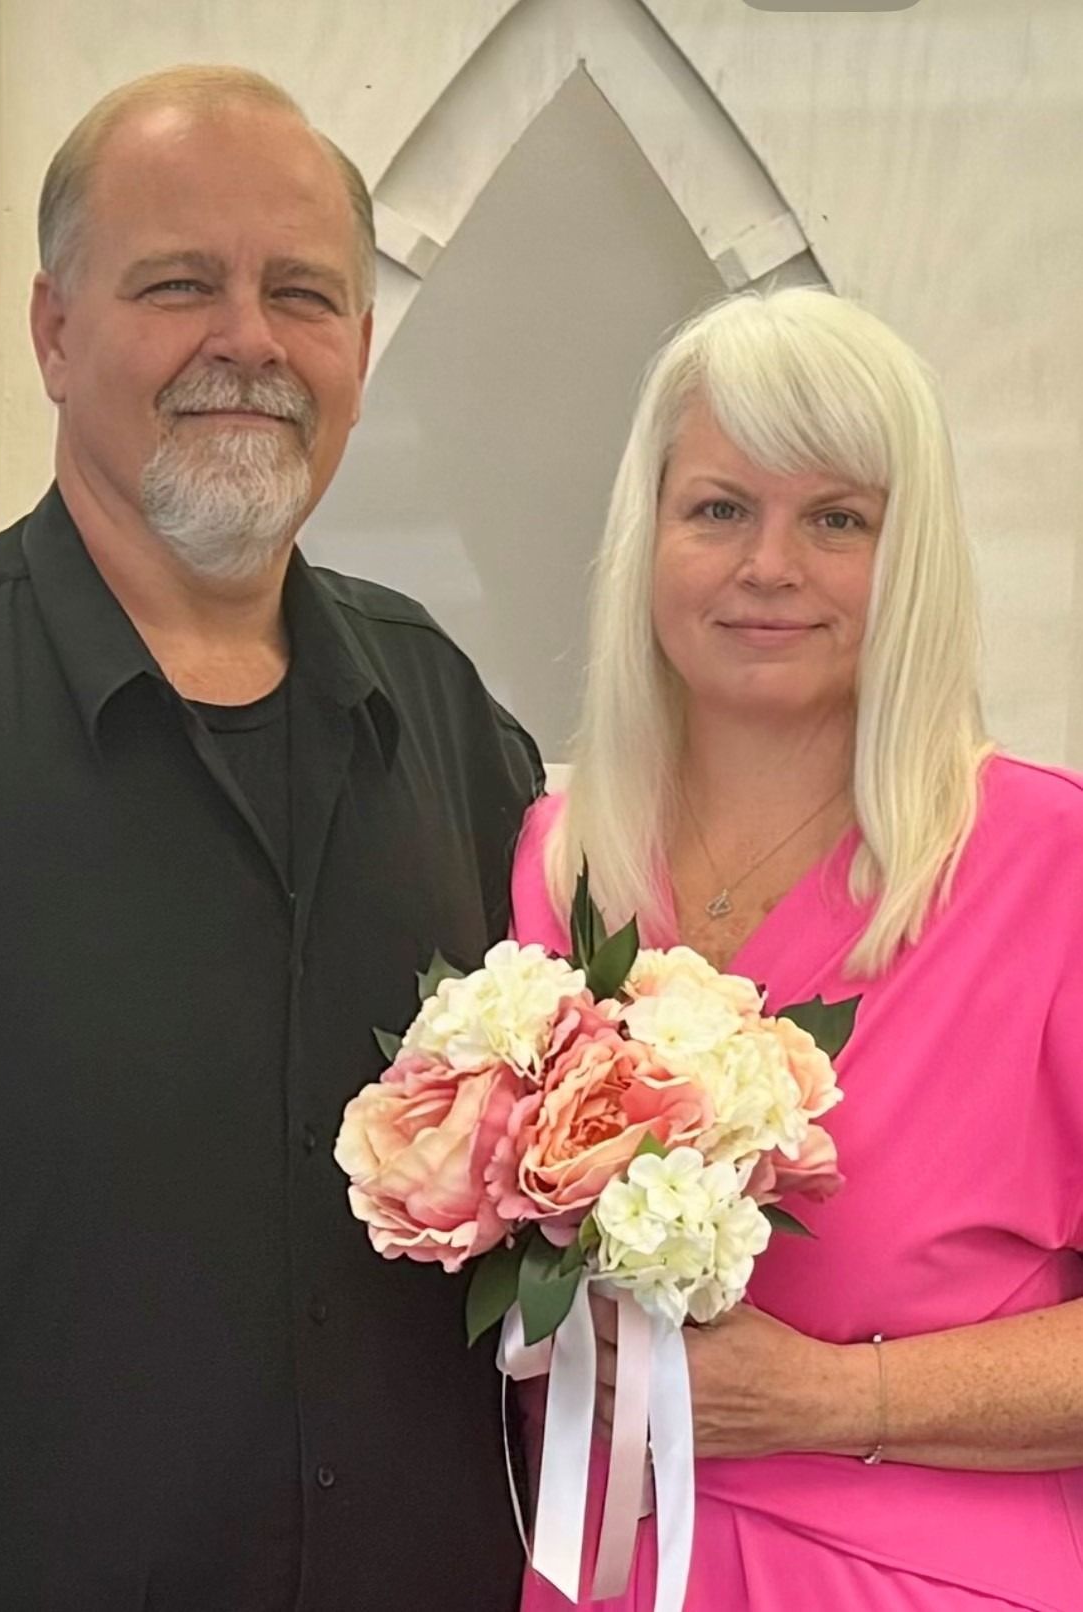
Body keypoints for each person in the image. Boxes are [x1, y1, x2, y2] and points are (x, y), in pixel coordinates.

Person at [0, 67, 540, 1611]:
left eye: (302, 295)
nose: (248, 342)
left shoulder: (456, 730)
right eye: (179, 284)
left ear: (357, 349)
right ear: (54, 333)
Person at [512, 287, 1083, 1610]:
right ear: (647, 538)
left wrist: (836, 1396)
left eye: (835, 519)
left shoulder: (1047, 866)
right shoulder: (555, 867)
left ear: (911, 559)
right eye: (719, 509)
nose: (769, 564)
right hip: (595, 1572)